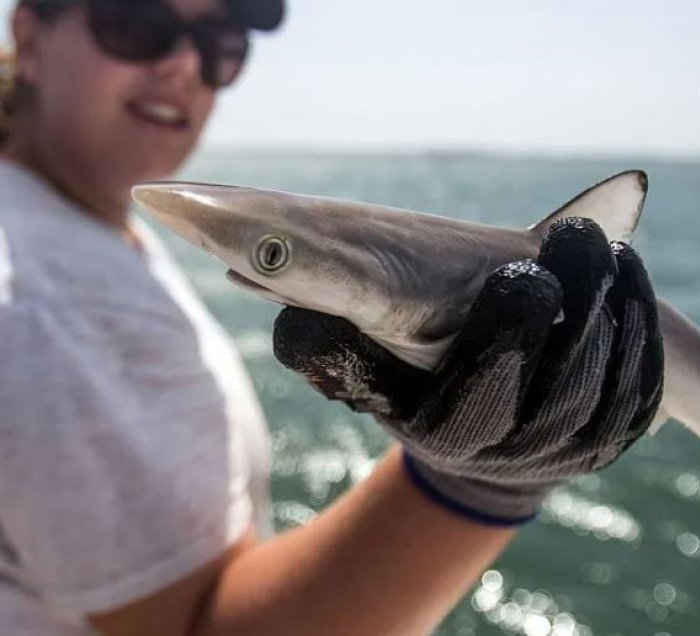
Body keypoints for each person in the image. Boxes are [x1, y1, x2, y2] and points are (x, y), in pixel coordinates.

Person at [0, 0, 664, 635]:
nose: (183, 66)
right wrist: (481, 482)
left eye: (219, 46)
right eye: (135, 23)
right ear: (29, 36)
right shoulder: (51, 307)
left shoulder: (69, 224)